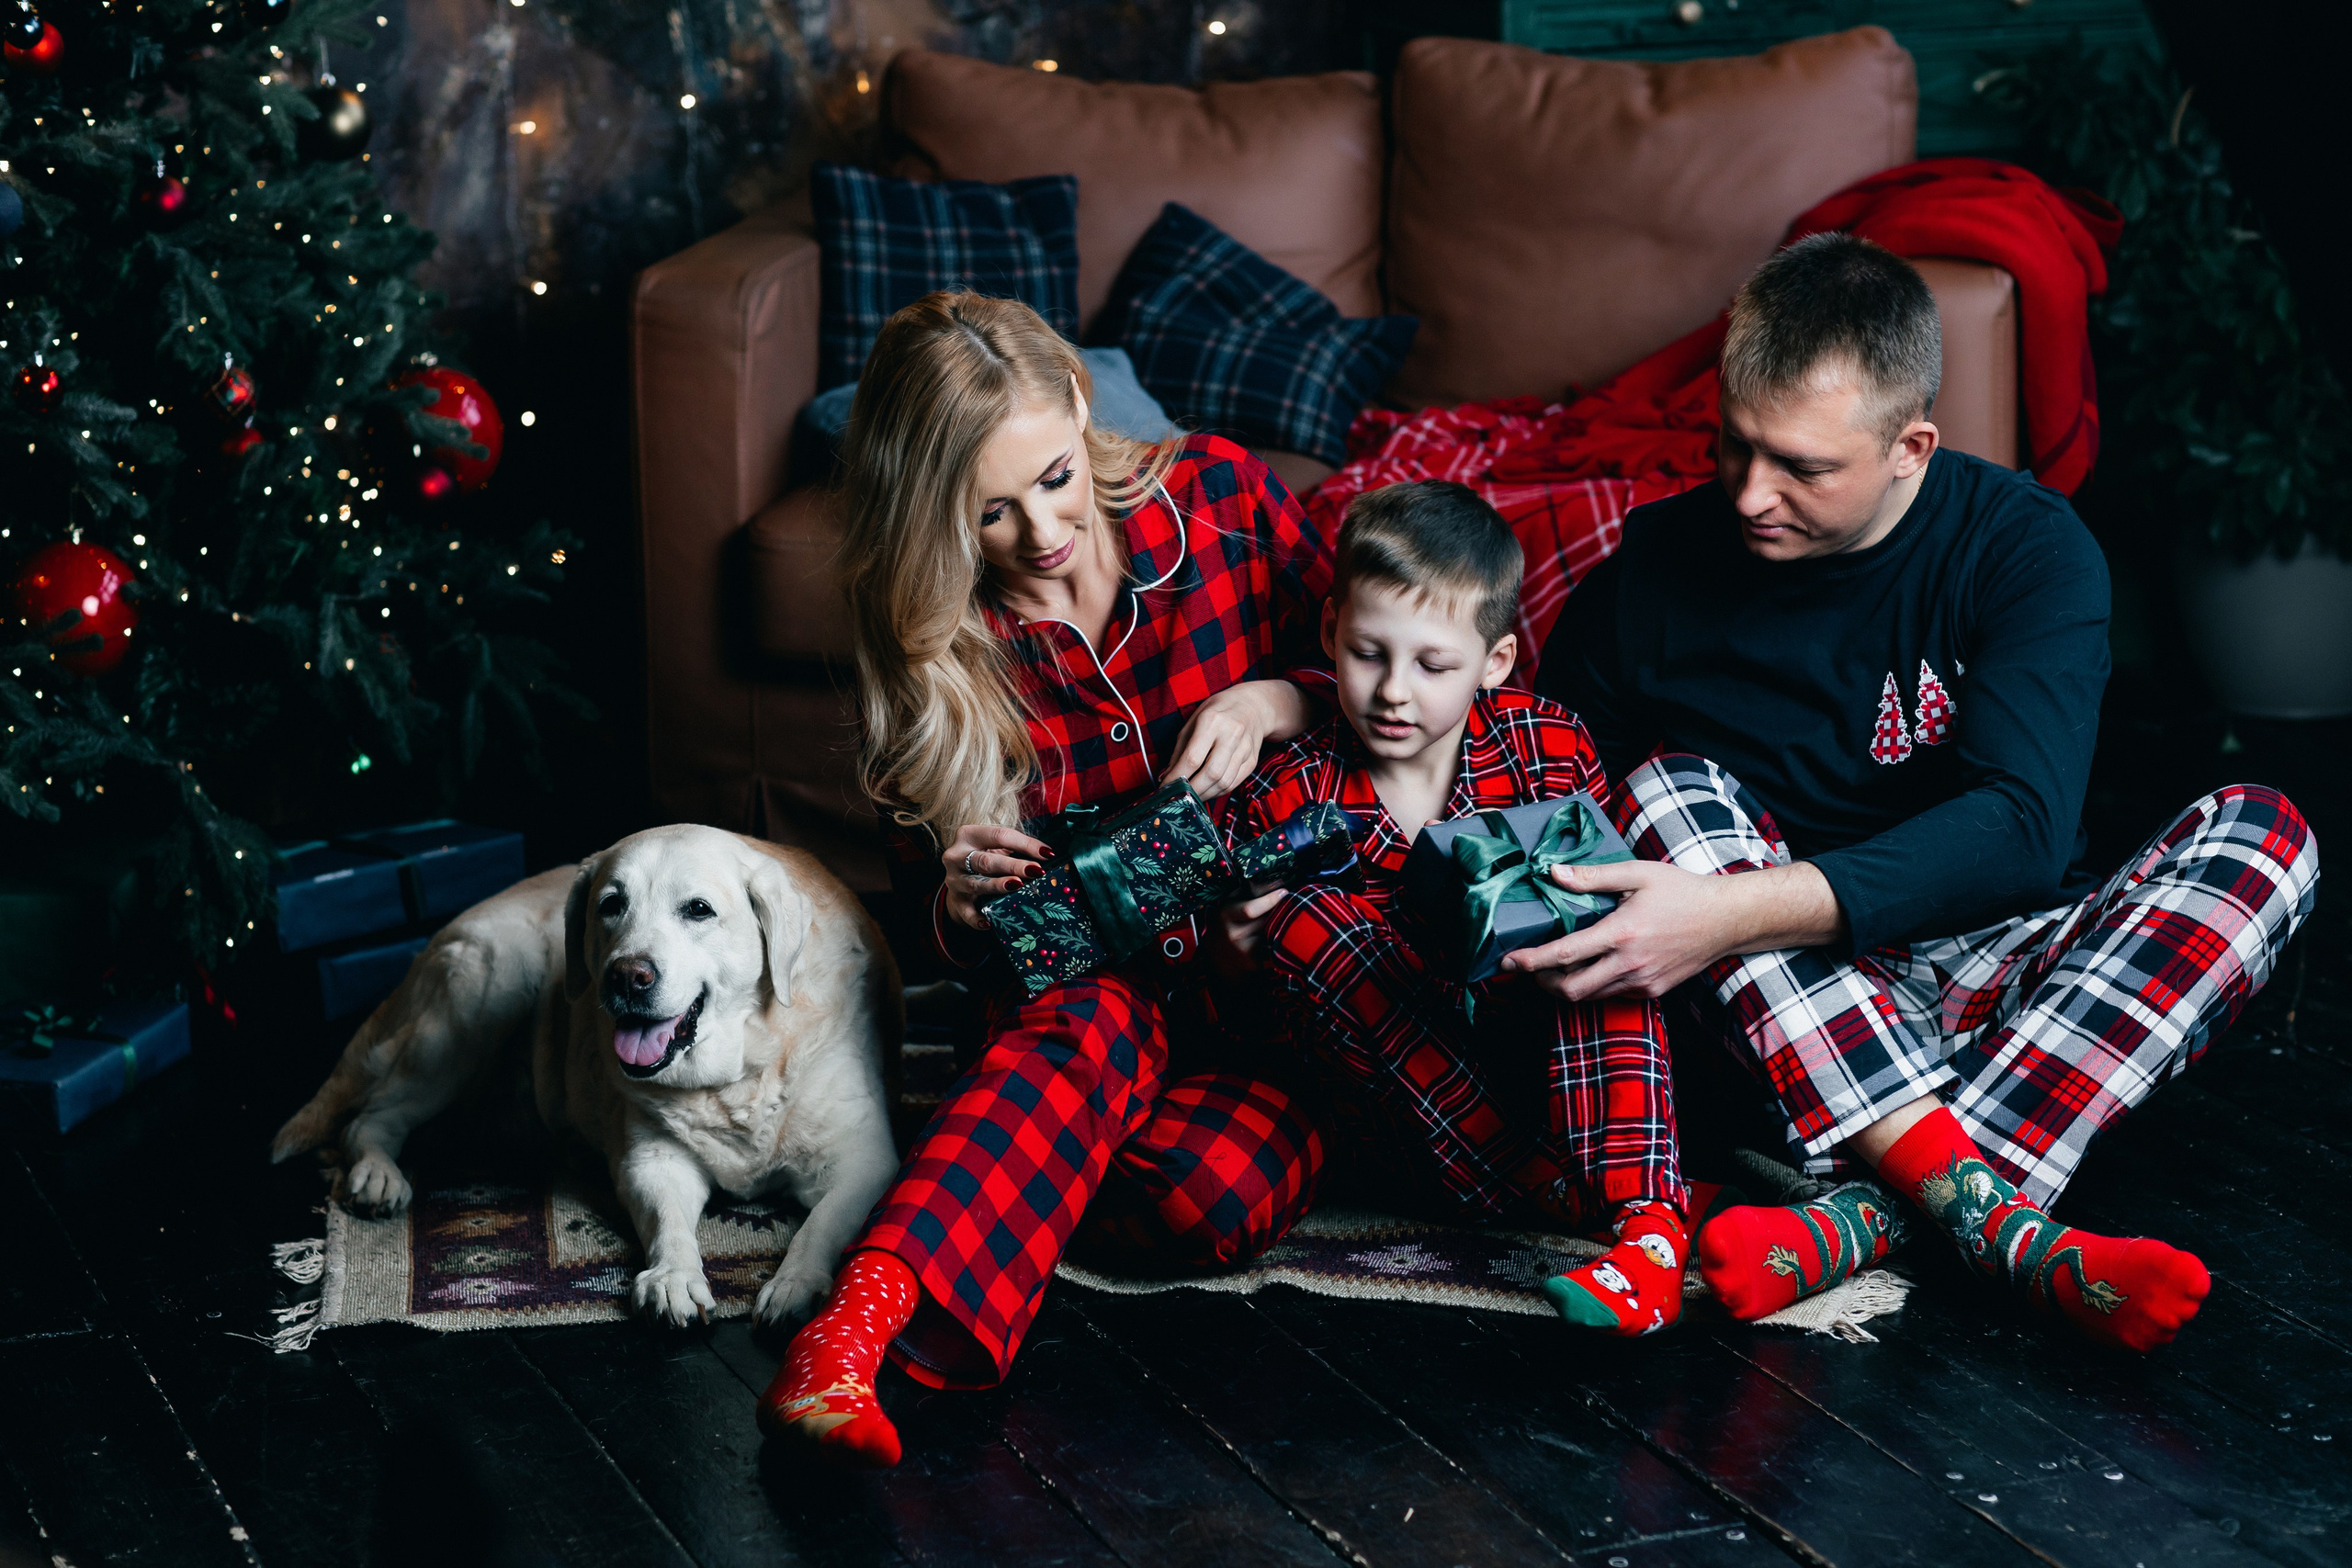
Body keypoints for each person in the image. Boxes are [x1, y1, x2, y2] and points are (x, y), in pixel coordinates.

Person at [1523, 233, 2317, 1353]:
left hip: (1998, 974)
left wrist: (1728, 911)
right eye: (1733, 446)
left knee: (2264, 836)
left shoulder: (2022, 549)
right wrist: (1298, 703)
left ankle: (1867, 1212)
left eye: (1802, 468)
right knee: (1668, 789)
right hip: (1774, 1014)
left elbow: (2022, 836)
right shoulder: (1650, 573)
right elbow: (1532, 799)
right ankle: (1998, 1225)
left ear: (1911, 447)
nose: (1751, 494)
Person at [755, 292, 1336, 1467]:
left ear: (1080, 406)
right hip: (1082, 1008)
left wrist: (1277, 698)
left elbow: (1393, 688)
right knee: (1084, 1033)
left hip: (1269, 988)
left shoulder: (1220, 500)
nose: (1042, 535)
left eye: (1057, 479)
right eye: (991, 514)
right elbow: (937, 935)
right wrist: (958, 905)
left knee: (1198, 1201)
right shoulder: (934, 642)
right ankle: (855, 1331)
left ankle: (1002, 1163)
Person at [1217, 480, 1695, 1336]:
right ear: (1329, 631)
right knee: (1307, 921)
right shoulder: (1286, 793)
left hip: (1548, 1075)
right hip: (1406, 1120)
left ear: (1496, 662)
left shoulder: (1548, 744)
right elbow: (1264, 1013)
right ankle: (1547, 1188)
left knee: (1598, 913)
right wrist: (1241, 951)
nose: (1394, 691)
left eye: (1434, 665)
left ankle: (1648, 1230)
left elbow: (1601, 933)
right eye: (1368, 653)